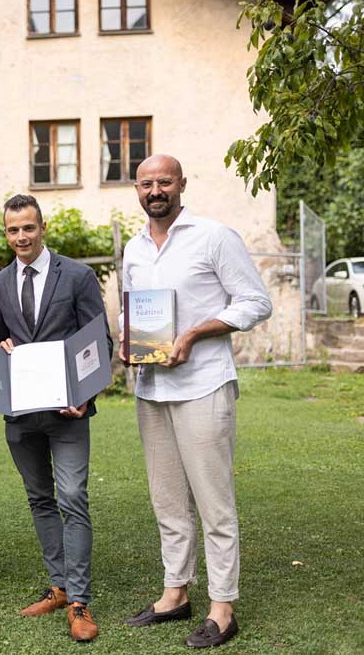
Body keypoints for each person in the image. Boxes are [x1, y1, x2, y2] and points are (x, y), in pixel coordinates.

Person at [119, 155, 271, 649]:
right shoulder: (135, 248)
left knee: (214, 503)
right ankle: (174, 594)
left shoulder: (214, 236)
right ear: (136, 189)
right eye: (146, 183)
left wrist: (195, 333)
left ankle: (222, 608)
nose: (155, 190)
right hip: (152, 389)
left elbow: (255, 302)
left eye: (165, 181)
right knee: (167, 501)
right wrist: (129, 343)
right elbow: (133, 311)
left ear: (182, 183)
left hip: (204, 385)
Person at [0, 194, 111, 642]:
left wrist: (87, 393)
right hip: (21, 415)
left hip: (68, 411)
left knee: (73, 496)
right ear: (6, 233)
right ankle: (58, 586)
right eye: (13, 230)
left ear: (42, 228)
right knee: (40, 499)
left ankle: (79, 601)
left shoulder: (76, 275)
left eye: (28, 228)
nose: (21, 236)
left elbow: (100, 342)